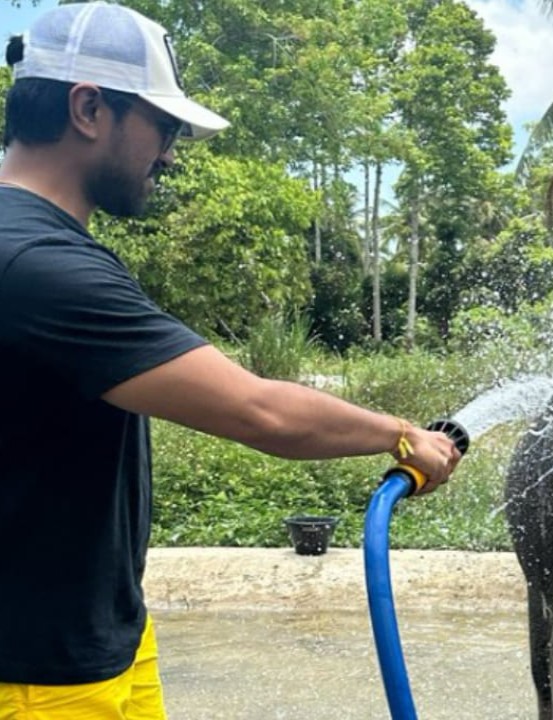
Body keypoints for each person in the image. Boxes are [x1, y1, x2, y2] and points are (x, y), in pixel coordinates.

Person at [0, 4, 461, 719]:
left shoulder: (42, 248)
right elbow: (262, 411)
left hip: (102, 638)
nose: (172, 153)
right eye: (164, 127)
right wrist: (403, 435)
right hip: (35, 676)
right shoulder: (36, 265)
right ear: (88, 108)